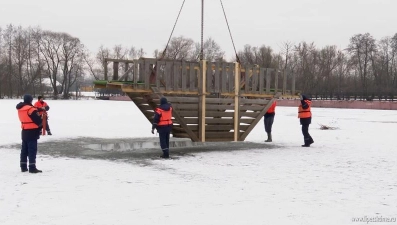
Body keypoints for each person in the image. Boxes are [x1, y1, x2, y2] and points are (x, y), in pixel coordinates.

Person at [16, 94, 43, 173]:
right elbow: (38, 121)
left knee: (24, 149)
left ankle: (23, 166)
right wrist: (41, 121)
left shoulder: (20, 108)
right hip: (32, 130)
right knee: (32, 150)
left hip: (24, 130)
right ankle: (32, 167)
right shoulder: (31, 109)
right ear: (31, 100)